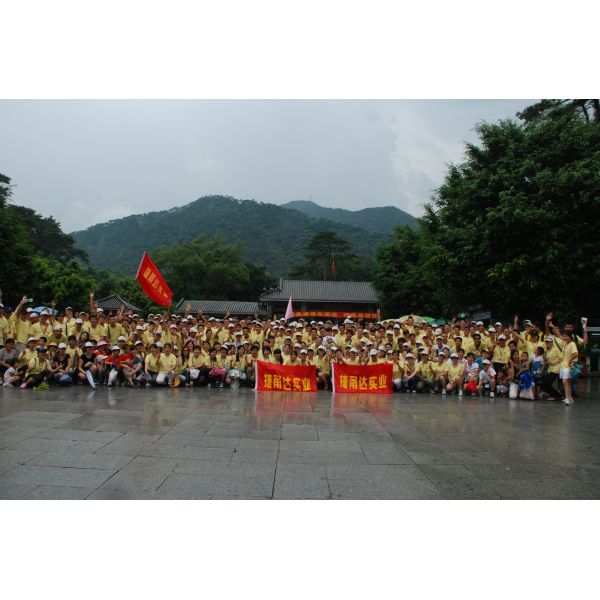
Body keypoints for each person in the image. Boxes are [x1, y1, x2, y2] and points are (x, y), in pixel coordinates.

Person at [554, 332, 579, 406]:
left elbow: (576, 354)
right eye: (564, 336)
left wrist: (570, 360)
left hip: (567, 366)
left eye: (567, 336)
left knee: (565, 381)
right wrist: (553, 327)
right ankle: (570, 398)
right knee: (568, 382)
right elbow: (559, 335)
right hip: (563, 365)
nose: (565, 338)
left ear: (570, 337)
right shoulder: (565, 343)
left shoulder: (572, 344)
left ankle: (567, 398)